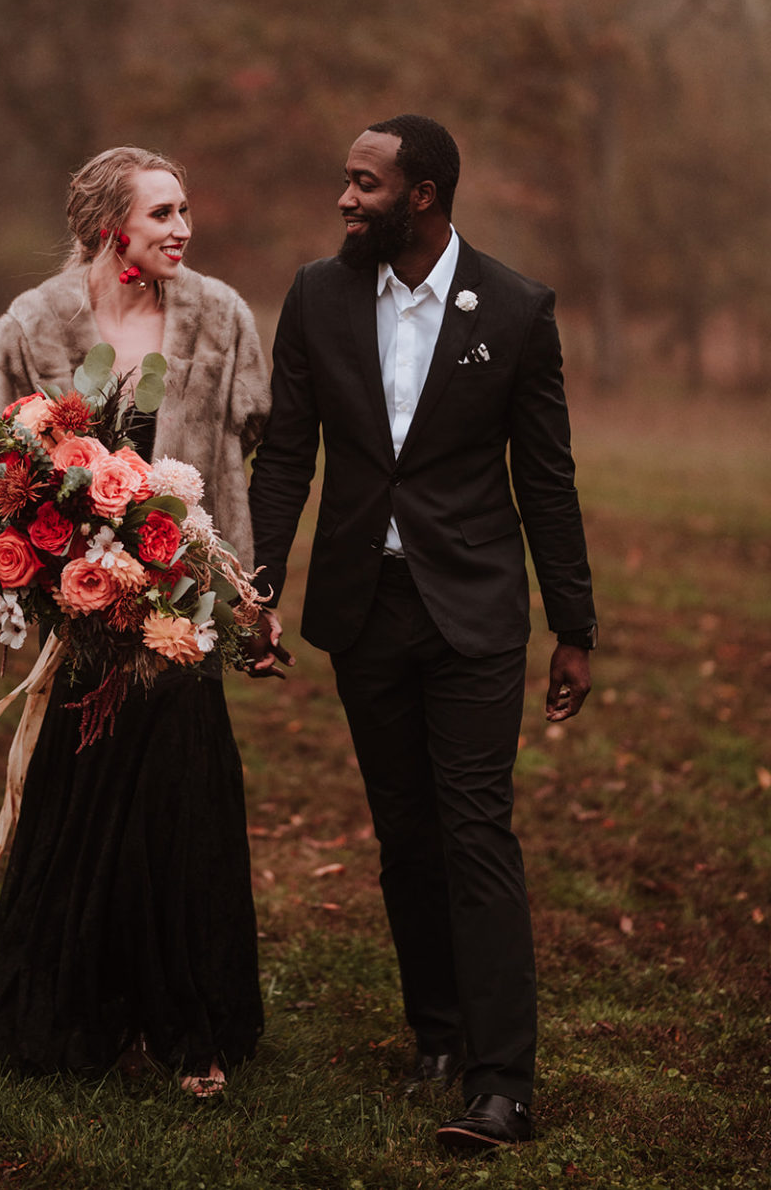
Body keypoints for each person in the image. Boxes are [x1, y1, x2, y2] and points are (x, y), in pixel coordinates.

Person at [248, 114, 596, 1154]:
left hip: (476, 609)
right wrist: (255, 583)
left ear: (424, 193)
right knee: (406, 836)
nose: (346, 199)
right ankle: (437, 1032)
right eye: (345, 182)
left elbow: (545, 476)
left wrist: (571, 622)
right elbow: (285, 456)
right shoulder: (317, 294)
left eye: (364, 183)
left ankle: (502, 1083)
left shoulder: (519, 308)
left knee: (474, 828)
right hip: (366, 606)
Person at [0, 146, 270, 1096]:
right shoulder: (33, 326)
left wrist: (241, 592)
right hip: (82, 607)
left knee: (182, 802)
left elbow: (256, 444)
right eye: (163, 213)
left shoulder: (221, 319)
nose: (184, 228)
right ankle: (67, 1017)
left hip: (187, 605)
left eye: (185, 210)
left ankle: (194, 1029)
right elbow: (1, 469)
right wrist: (52, 569)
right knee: (83, 801)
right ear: (114, 228)